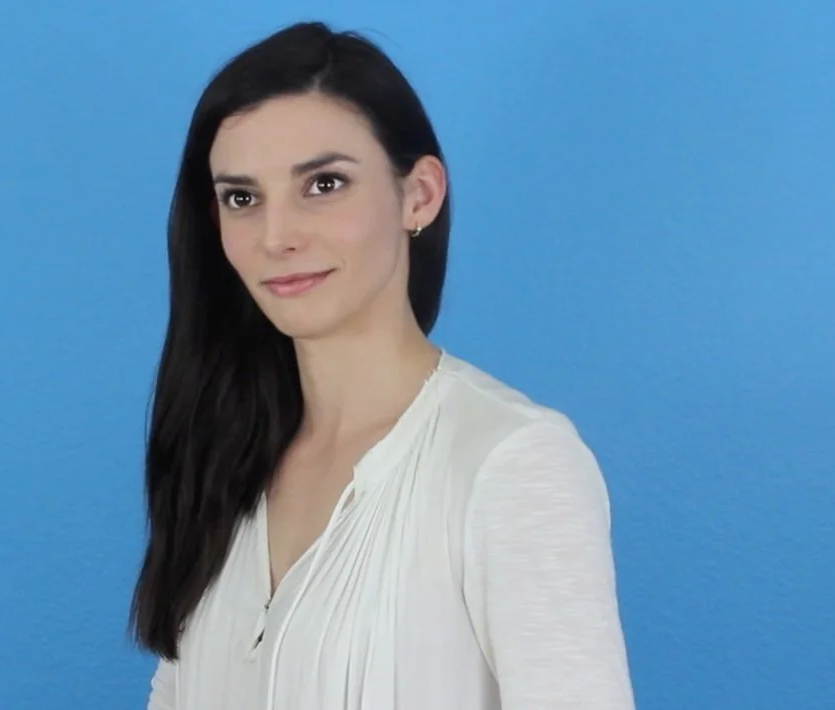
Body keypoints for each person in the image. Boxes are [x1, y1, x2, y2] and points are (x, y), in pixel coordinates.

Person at [129, 20, 635, 710]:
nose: (276, 236)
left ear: (418, 194)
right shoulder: (220, 454)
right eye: (241, 198)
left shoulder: (513, 463)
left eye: (324, 183)